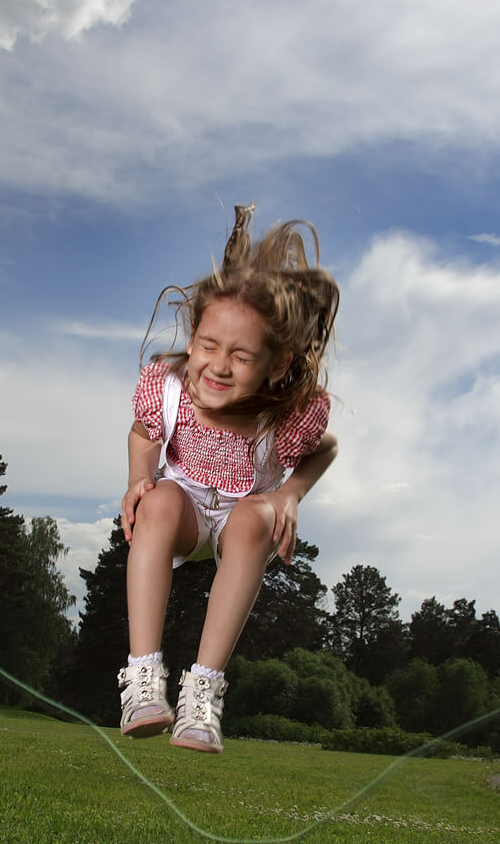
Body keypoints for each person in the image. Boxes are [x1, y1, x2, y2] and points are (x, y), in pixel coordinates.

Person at [117, 205, 339, 754]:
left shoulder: (284, 416)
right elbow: (144, 432)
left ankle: (202, 695)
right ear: (193, 339)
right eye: (210, 346)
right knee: (161, 501)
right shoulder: (167, 387)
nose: (219, 366)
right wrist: (138, 477)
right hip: (187, 512)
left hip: (242, 514)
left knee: (250, 519)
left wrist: (289, 493)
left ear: (278, 364)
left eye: (242, 357)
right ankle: (143, 679)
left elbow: (325, 449)